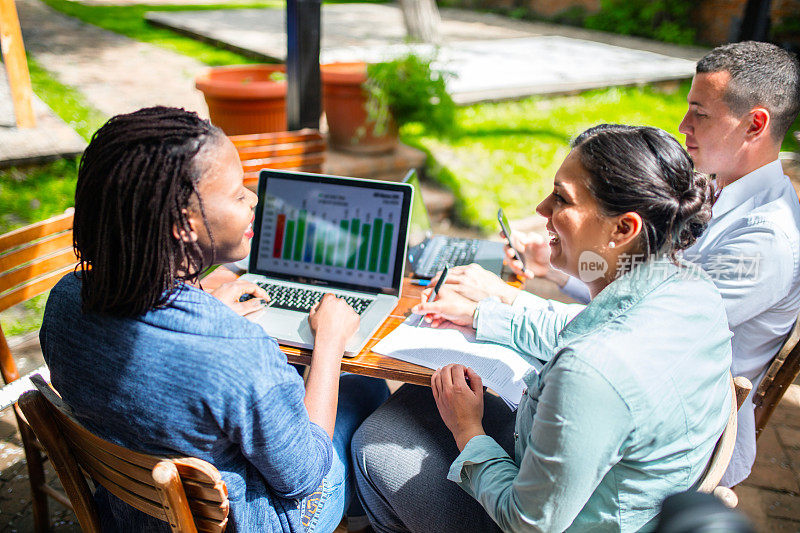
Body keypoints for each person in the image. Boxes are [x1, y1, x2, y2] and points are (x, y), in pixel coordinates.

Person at [443, 41, 800, 487]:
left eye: (700, 113)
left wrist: (495, 306)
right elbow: (635, 285)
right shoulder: (718, 192)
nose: (683, 125)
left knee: (413, 426)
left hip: (670, 439)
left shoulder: (764, 241)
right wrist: (555, 268)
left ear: (755, 124)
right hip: (634, 399)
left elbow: (634, 330)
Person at [351, 124, 733, 532]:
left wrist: (467, 429)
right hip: (631, 494)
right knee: (416, 399)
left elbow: (528, 521)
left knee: (373, 444)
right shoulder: (691, 287)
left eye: (561, 199)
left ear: (623, 229)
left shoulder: (591, 373)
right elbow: (575, 325)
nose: (540, 208)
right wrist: (483, 313)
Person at [40, 106, 388, 532]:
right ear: (183, 225)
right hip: (253, 521)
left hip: (132, 514)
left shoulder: (65, 302)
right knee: (366, 389)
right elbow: (306, 476)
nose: (255, 200)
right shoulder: (236, 350)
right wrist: (330, 343)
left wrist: (207, 311)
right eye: (239, 194)